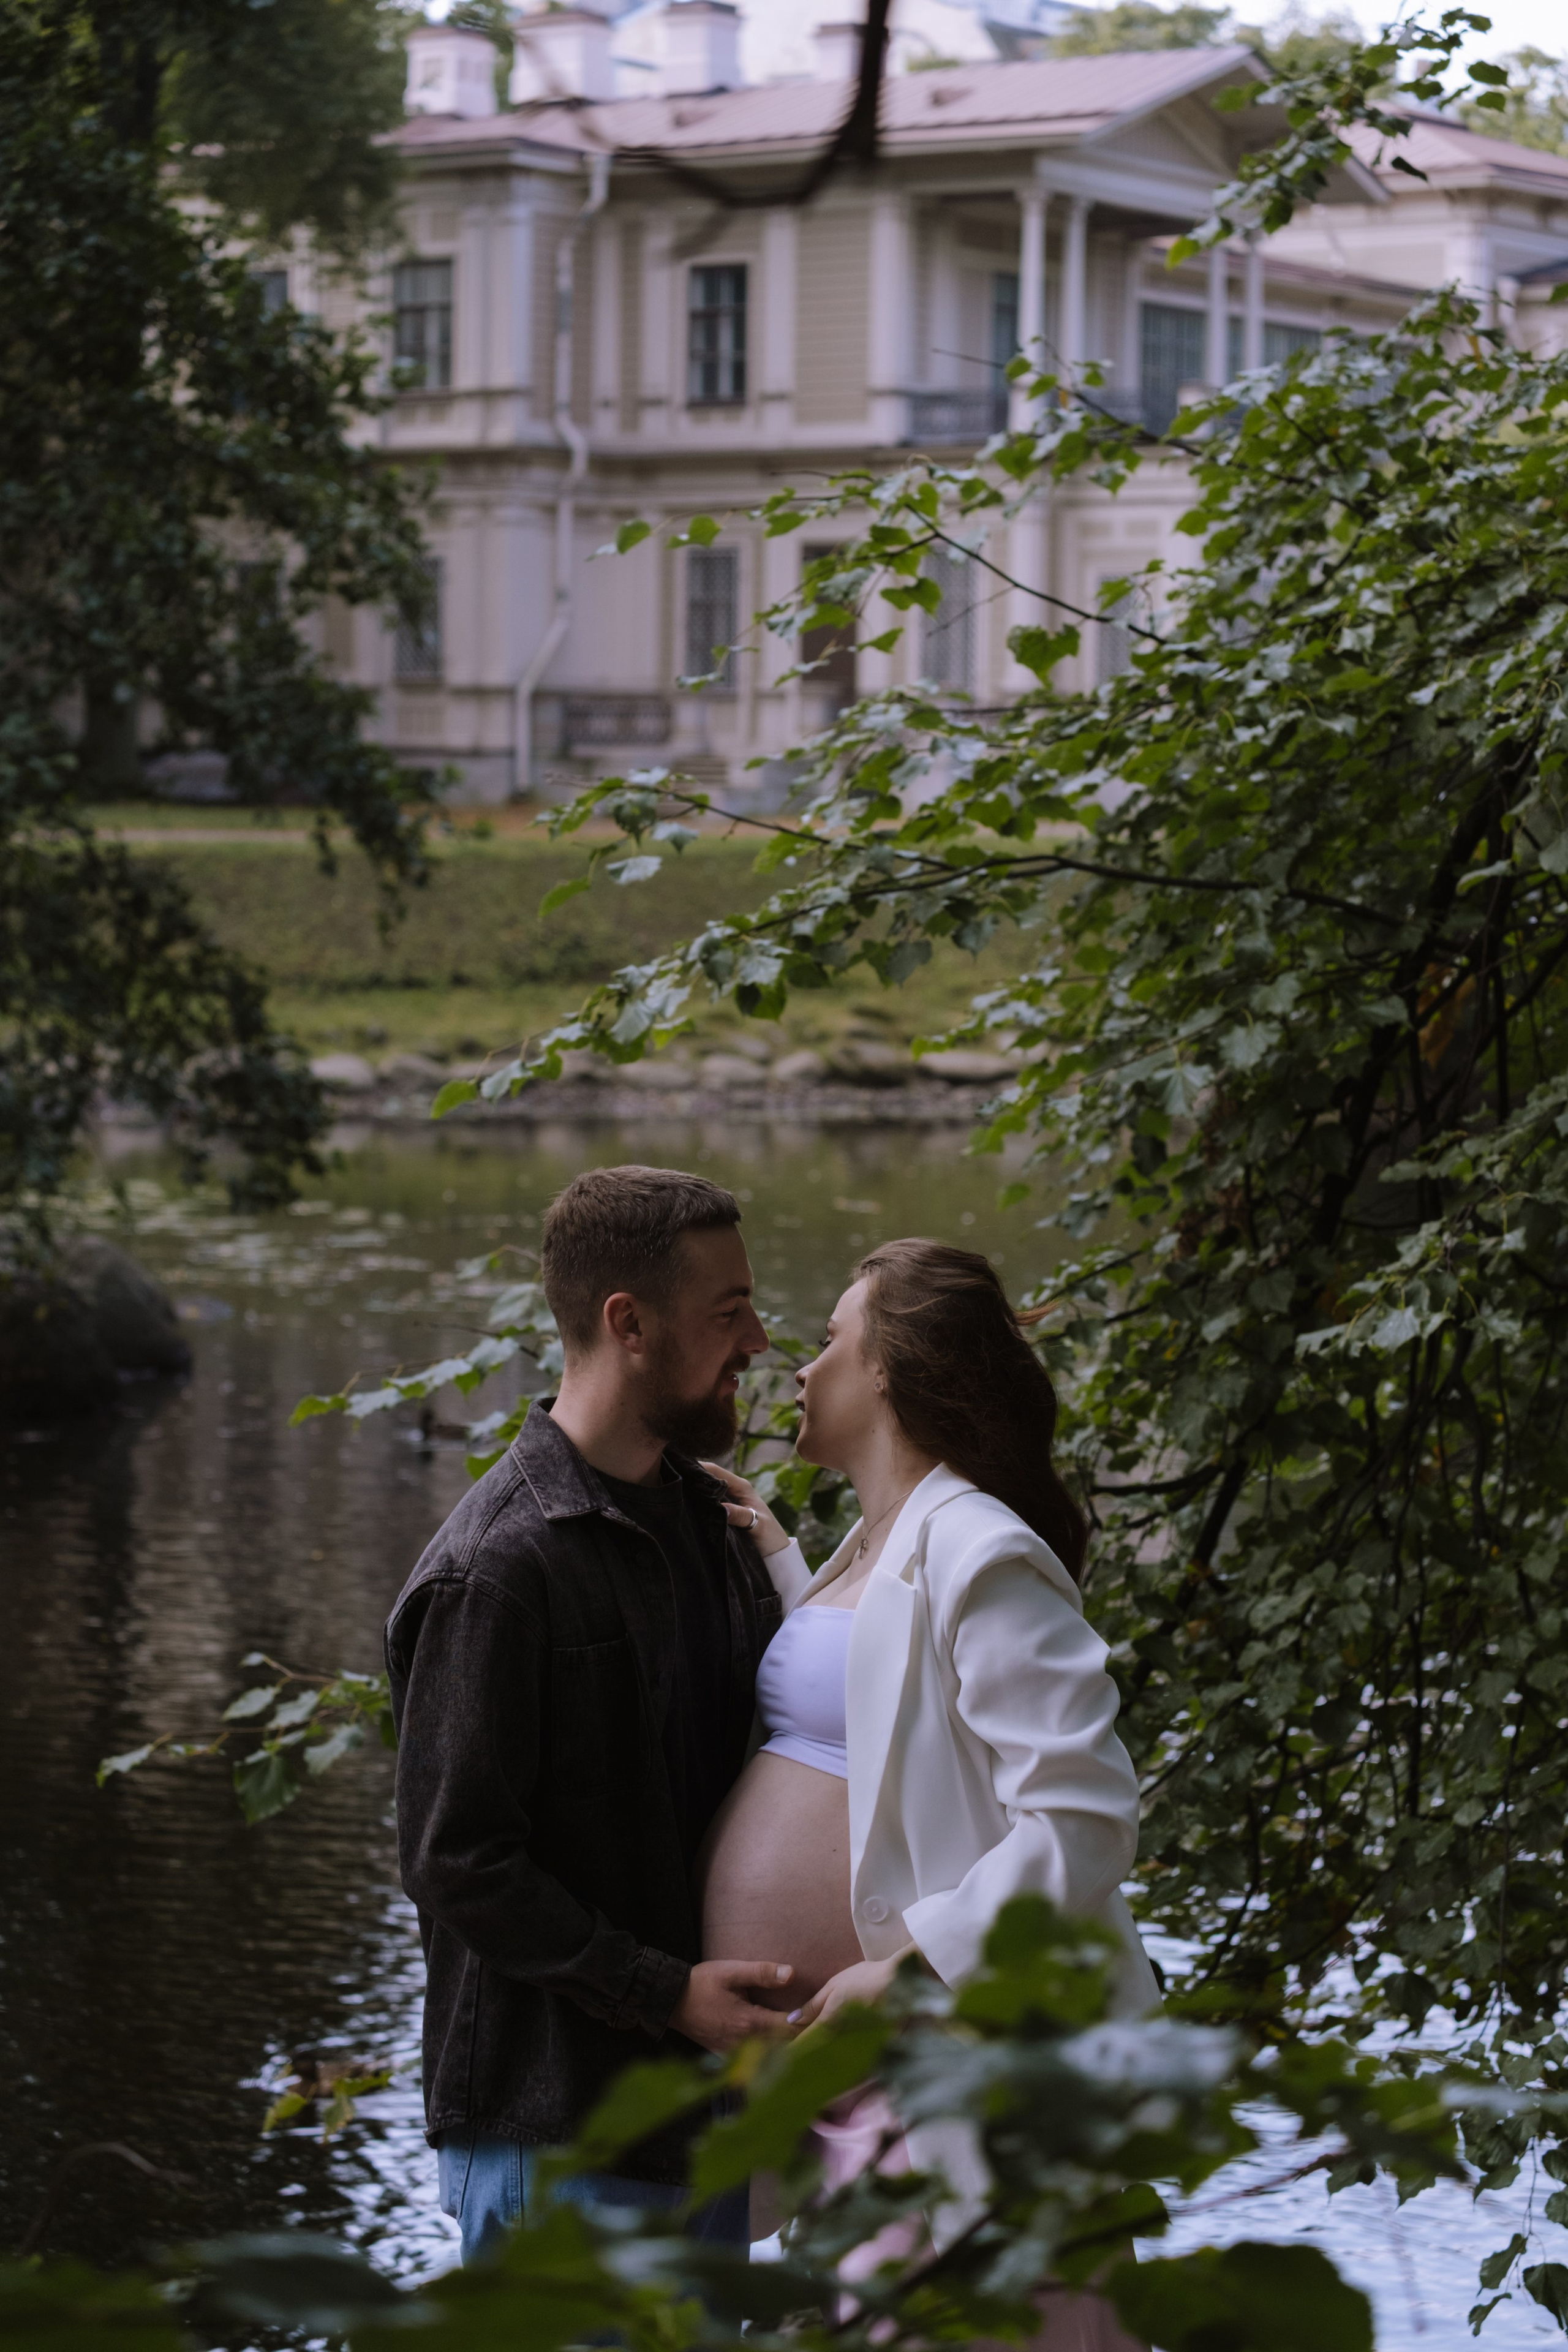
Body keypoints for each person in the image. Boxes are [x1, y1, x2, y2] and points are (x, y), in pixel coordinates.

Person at [699, 1237, 1159, 2284]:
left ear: (888, 1370)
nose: (802, 1366)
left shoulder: (981, 1547)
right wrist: (784, 1564)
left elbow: (1086, 1818)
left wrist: (908, 1972)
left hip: (952, 2063)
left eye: (830, 1340)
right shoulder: (882, 1538)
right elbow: (876, 1692)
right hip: (862, 2089)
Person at [385, 1165, 804, 2266]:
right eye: (729, 1311)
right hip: (558, 2133)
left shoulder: (713, 1526)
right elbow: (457, 1859)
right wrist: (667, 1995)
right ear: (629, 1324)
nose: (758, 1341)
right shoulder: (496, 1570)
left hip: (701, 2117)